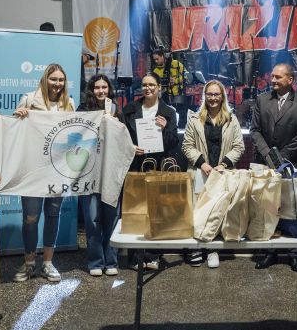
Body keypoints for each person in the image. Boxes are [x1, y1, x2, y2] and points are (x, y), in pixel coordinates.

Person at [13, 63, 75, 283]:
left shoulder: (69, 104)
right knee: (31, 218)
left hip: (57, 169)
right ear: (45, 79)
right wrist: (16, 116)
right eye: (53, 79)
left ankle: (48, 263)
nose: (57, 84)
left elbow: (73, 134)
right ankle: (29, 263)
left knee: (52, 215)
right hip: (32, 169)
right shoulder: (29, 99)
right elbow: (15, 131)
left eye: (61, 80)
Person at [250, 63, 297, 272]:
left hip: (292, 163)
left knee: (291, 209)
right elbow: (255, 130)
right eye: (272, 76)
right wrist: (268, 155)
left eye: (278, 77)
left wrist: (281, 157)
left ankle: (294, 254)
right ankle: (270, 252)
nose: (273, 80)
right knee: (268, 209)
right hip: (265, 163)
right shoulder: (261, 99)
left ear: (290, 80)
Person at [181, 80, 245, 268]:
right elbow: (187, 146)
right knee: (198, 212)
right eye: (209, 94)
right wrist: (202, 164)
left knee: (217, 213)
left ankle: (212, 250)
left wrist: (223, 164)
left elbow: (239, 146)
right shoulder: (195, 119)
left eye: (216, 94)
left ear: (222, 96)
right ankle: (196, 248)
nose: (213, 98)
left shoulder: (231, 119)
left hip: (222, 173)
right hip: (200, 172)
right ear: (205, 96)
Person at [119, 72, 179, 270]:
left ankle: (153, 256)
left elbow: (173, 143)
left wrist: (166, 128)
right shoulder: (129, 109)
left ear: (159, 87)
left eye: (152, 84)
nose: (148, 88)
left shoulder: (169, 112)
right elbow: (121, 138)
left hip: (158, 166)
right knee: (135, 210)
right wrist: (131, 148)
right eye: (145, 85)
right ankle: (134, 257)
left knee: (156, 211)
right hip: (135, 165)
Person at [77, 74, 120, 277]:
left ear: (109, 89)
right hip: (89, 172)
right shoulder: (83, 109)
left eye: (104, 87)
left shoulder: (116, 109)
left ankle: (111, 260)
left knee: (112, 217)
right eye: (97, 87)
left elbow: (123, 137)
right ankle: (95, 261)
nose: (101, 91)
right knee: (92, 218)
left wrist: (115, 122)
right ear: (91, 90)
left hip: (111, 171)